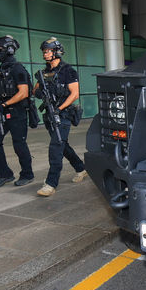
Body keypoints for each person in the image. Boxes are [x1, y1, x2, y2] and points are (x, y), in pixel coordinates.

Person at [35, 37, 86, 197]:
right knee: (62, 145)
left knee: (56, 147)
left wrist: (59, 108)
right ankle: (81, 168)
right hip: (50, 114)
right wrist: (40, 89)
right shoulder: (43, 73)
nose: (45, 54)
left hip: (63, 114)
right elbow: (34, 90)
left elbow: (74, 94)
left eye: (48, 51)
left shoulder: (68, 71)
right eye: (44, 51)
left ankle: (51, 183)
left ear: (57, 52)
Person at [0, 35, 35, 187]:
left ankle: (27, 174)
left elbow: (24, 92)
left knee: (19, 143)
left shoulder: (18, 68)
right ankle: (4, 174)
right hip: (1, 112)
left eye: (0, 50)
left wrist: (4, 104)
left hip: (16, 111)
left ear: (9, 50)